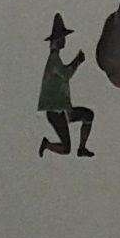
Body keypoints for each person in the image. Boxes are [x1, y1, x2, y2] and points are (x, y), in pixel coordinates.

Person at [37, 14, 94, 157]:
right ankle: (47, 145)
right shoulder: (54, 59)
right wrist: (77, 61)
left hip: (63, 109)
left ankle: (82, 148)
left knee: (88, 115)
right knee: (66, 148)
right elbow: (66, 74)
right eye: (62, 38)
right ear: (57, 40)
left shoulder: (55, 59)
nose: (64, 41)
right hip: (56, 112)